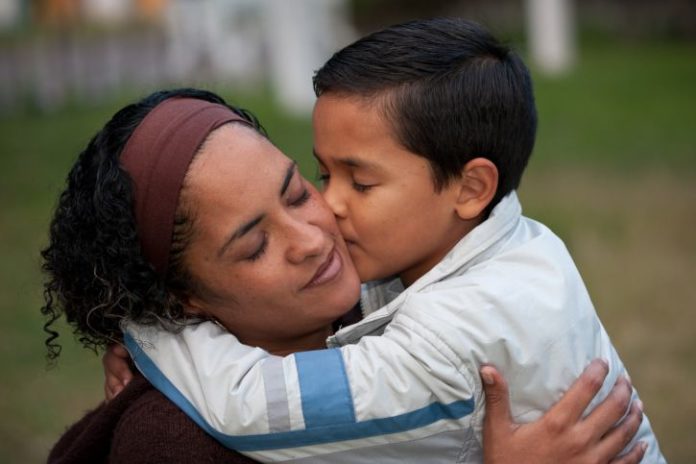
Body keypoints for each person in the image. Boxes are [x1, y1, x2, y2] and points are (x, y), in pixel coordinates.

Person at [107, 19, 664, 464]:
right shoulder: (527, 247)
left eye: (362, 182)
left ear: (471, 188)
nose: (331, 206)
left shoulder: (448, 340)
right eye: (323, 176)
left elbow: (248, 406)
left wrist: (150, 327)